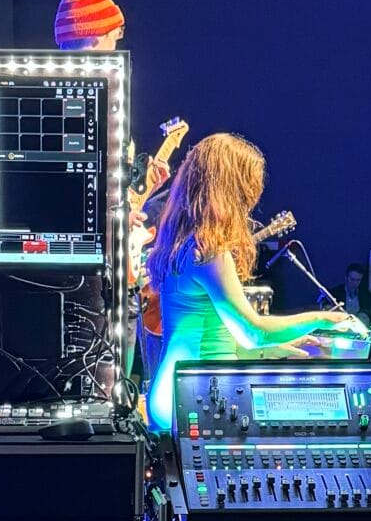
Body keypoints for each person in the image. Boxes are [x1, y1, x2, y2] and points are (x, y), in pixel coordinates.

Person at [141, 133, 356, 431]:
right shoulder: (209, 251)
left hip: (169, 394)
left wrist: (281, 347)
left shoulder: (179, 245)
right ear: (230, 188)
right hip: (195, 396)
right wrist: (324, 319)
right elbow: (252, 333)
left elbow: (209, 335)